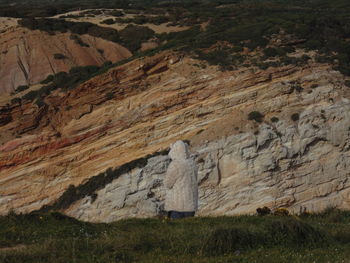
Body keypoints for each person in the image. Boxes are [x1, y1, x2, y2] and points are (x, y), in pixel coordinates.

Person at [164, 140, 198, 219]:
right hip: (191, 205)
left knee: (175, 229)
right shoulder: (192, 163)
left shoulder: (175, 165)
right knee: (189, 228)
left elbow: (168, 184)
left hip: (177, 206)